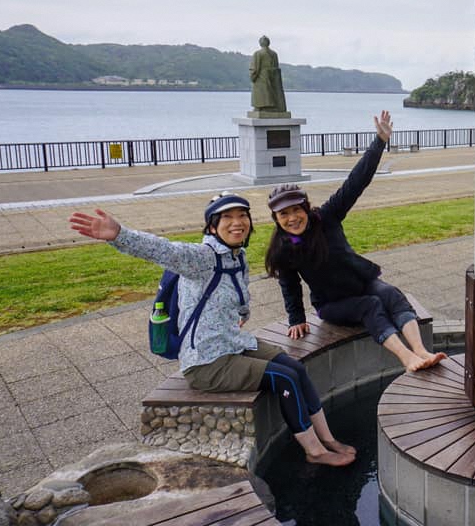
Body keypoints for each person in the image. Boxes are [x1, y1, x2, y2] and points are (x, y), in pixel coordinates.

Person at [69, 193, 355, 467]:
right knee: (284, 379)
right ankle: (314, 451)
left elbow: (241, 299)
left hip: (233, 343)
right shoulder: (201, 258)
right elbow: (163, 250)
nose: (237, 222)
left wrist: (240, 315)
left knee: (296, 369)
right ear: (212, 226)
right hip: (207, 362)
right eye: (227, 217)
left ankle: (328, 438)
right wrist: (119, 234)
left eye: (242, 215)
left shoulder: (237, 257)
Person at [264, 110, 446, 372]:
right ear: (276, 219)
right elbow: (289, 284)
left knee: (391, 294)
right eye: (284, 214)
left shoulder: (327, 217)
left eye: (296, 210)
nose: (292, 218)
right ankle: (408, 360)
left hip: (361, 284)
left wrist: (380, 141)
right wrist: (296, 318)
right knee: (371, 305)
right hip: (331, 305)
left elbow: (356, 181)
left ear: (306, 208)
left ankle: (420, 350)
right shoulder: (283, 249)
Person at [249, 35, 287, 113]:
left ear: (261, 43)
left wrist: (252, 76)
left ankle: (261, 107)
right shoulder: (274, 54)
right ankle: (271, 106)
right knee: (269, 93)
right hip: (272, 77)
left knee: (262, 94)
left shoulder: (258, 54)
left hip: (261, 77)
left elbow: (255, 68)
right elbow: (276, 68)